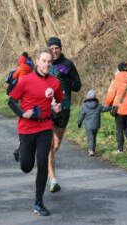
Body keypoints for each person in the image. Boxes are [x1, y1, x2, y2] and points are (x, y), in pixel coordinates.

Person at [8, 47, 63, 216]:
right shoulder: (25, 80)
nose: (47, 64)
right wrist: (23, 113)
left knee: (42, 164)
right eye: (44, 61)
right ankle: (21, 151)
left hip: (45, 127)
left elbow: (58, 102)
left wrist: (56, 109)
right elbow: (11, 101)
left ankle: (39, 202)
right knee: (26, 167)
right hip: (26, 128)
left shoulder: (55, 82)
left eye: (49, 62)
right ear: (37, 61)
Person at [47, 37, 81, 192]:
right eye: (52, 48)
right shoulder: (44, 64)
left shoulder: (68, 64)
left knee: (56, 144)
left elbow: (77, 86)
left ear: (61, 49)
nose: (54, 51)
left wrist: (66, 75)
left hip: (64, 108)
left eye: (57, 48)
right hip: (47, 108)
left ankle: (49, 159)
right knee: (48, 146)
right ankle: (53, 180)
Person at [106, 62, 127, 153]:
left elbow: (110, 95)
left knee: (119, 128)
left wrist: (108, 105)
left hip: (119, 109)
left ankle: (120, 149)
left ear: (119, 69)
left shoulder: (116, 80)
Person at [12, 52, 34, 162]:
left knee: (22, 108)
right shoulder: (29, 67)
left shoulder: (20, 67)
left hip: (20, 89)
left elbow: (14, 76)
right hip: (29, 89)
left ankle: (23, 115)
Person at [78, 90, 111, 156]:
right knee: (94, 137)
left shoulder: (84, 106)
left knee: (90, 137)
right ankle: (93, 149)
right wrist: (111, 107)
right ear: (95, 96)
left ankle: (91, 150)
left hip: (88, 125)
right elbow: (104, 109)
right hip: (96, 125)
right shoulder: (98, 105)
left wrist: (79, 123)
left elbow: (82, 115)